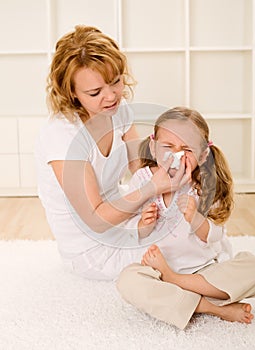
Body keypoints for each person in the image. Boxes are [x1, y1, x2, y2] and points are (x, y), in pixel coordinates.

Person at [35, 25, 189, 280]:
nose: (111, 97)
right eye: (95, 92)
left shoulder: (119, 110)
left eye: (115, 81)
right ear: (71, 92)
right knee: (181, 251)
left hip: (123, 215)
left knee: (189, 233)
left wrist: (174, 159)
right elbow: (95, 219)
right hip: (91, 246)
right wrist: (152, 188)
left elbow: (140, 166)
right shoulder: (62, 137)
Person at [116, 107, 255, 329]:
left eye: (187, 149)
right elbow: (131, 232)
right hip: (157, 272)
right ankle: (212, 307)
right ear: (153, 146)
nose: (177, 156)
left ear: (203, 154)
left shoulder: (206, 184)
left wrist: (195, 218)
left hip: (204, 270)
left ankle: (179, 285)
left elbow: (216, 233)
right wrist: (143, 223)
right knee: (128, 282)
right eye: (168, 147)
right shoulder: (143, 180)